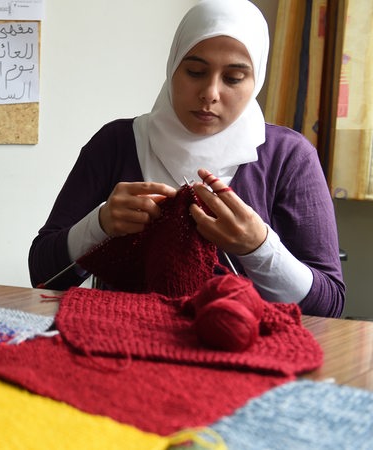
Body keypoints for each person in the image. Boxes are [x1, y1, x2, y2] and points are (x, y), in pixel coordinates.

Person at [28, 0, 344, 318]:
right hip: (120, 344)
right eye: (195, 71)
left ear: (256, 81)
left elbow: (327, 305)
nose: (210, 92)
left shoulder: (289, 158)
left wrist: (258, 247)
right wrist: (100, 225)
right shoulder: (117, 144)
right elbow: (42, 274)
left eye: (233, 78)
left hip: (240, 356)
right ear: (173, 67)